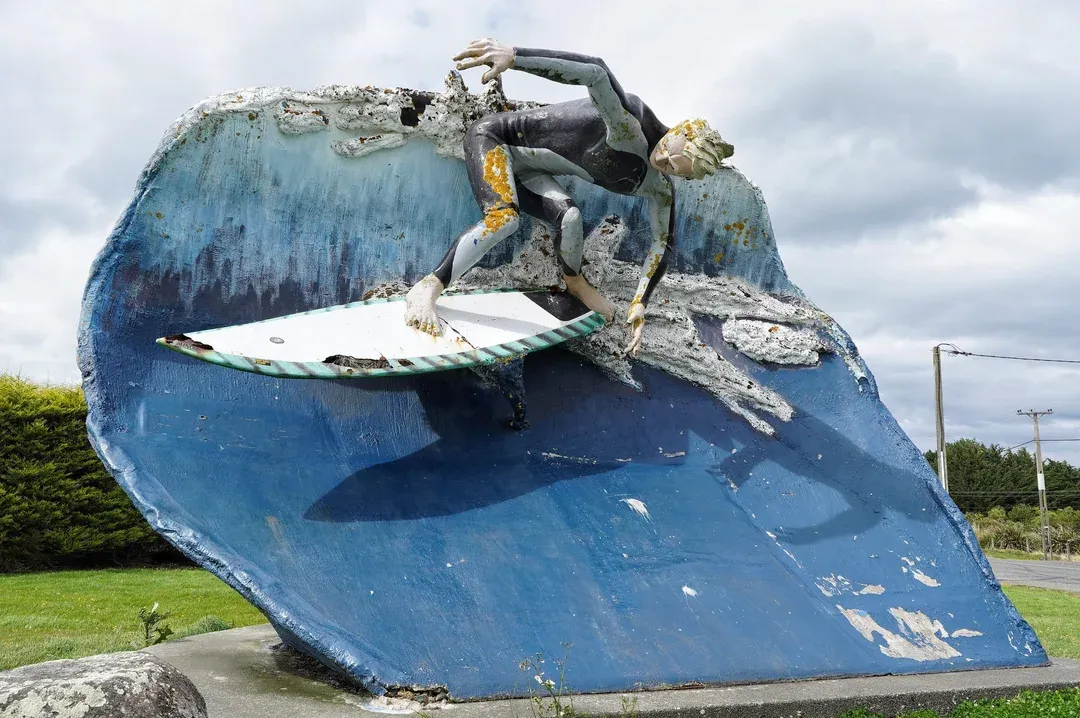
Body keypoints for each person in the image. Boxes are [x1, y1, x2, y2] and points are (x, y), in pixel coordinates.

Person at [403, 38, 733, 356]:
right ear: (678, 131)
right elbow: (595, 72)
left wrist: (640, 303)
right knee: (504, 220)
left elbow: (662, 242)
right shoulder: (630, 121)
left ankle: (574, 282)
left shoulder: (658, 187)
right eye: (671, 154)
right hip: (495, 140)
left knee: (571, 219)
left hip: (530, 171)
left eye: (677, 170)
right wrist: (515, 56)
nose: (664, 163)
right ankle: (428, 288)